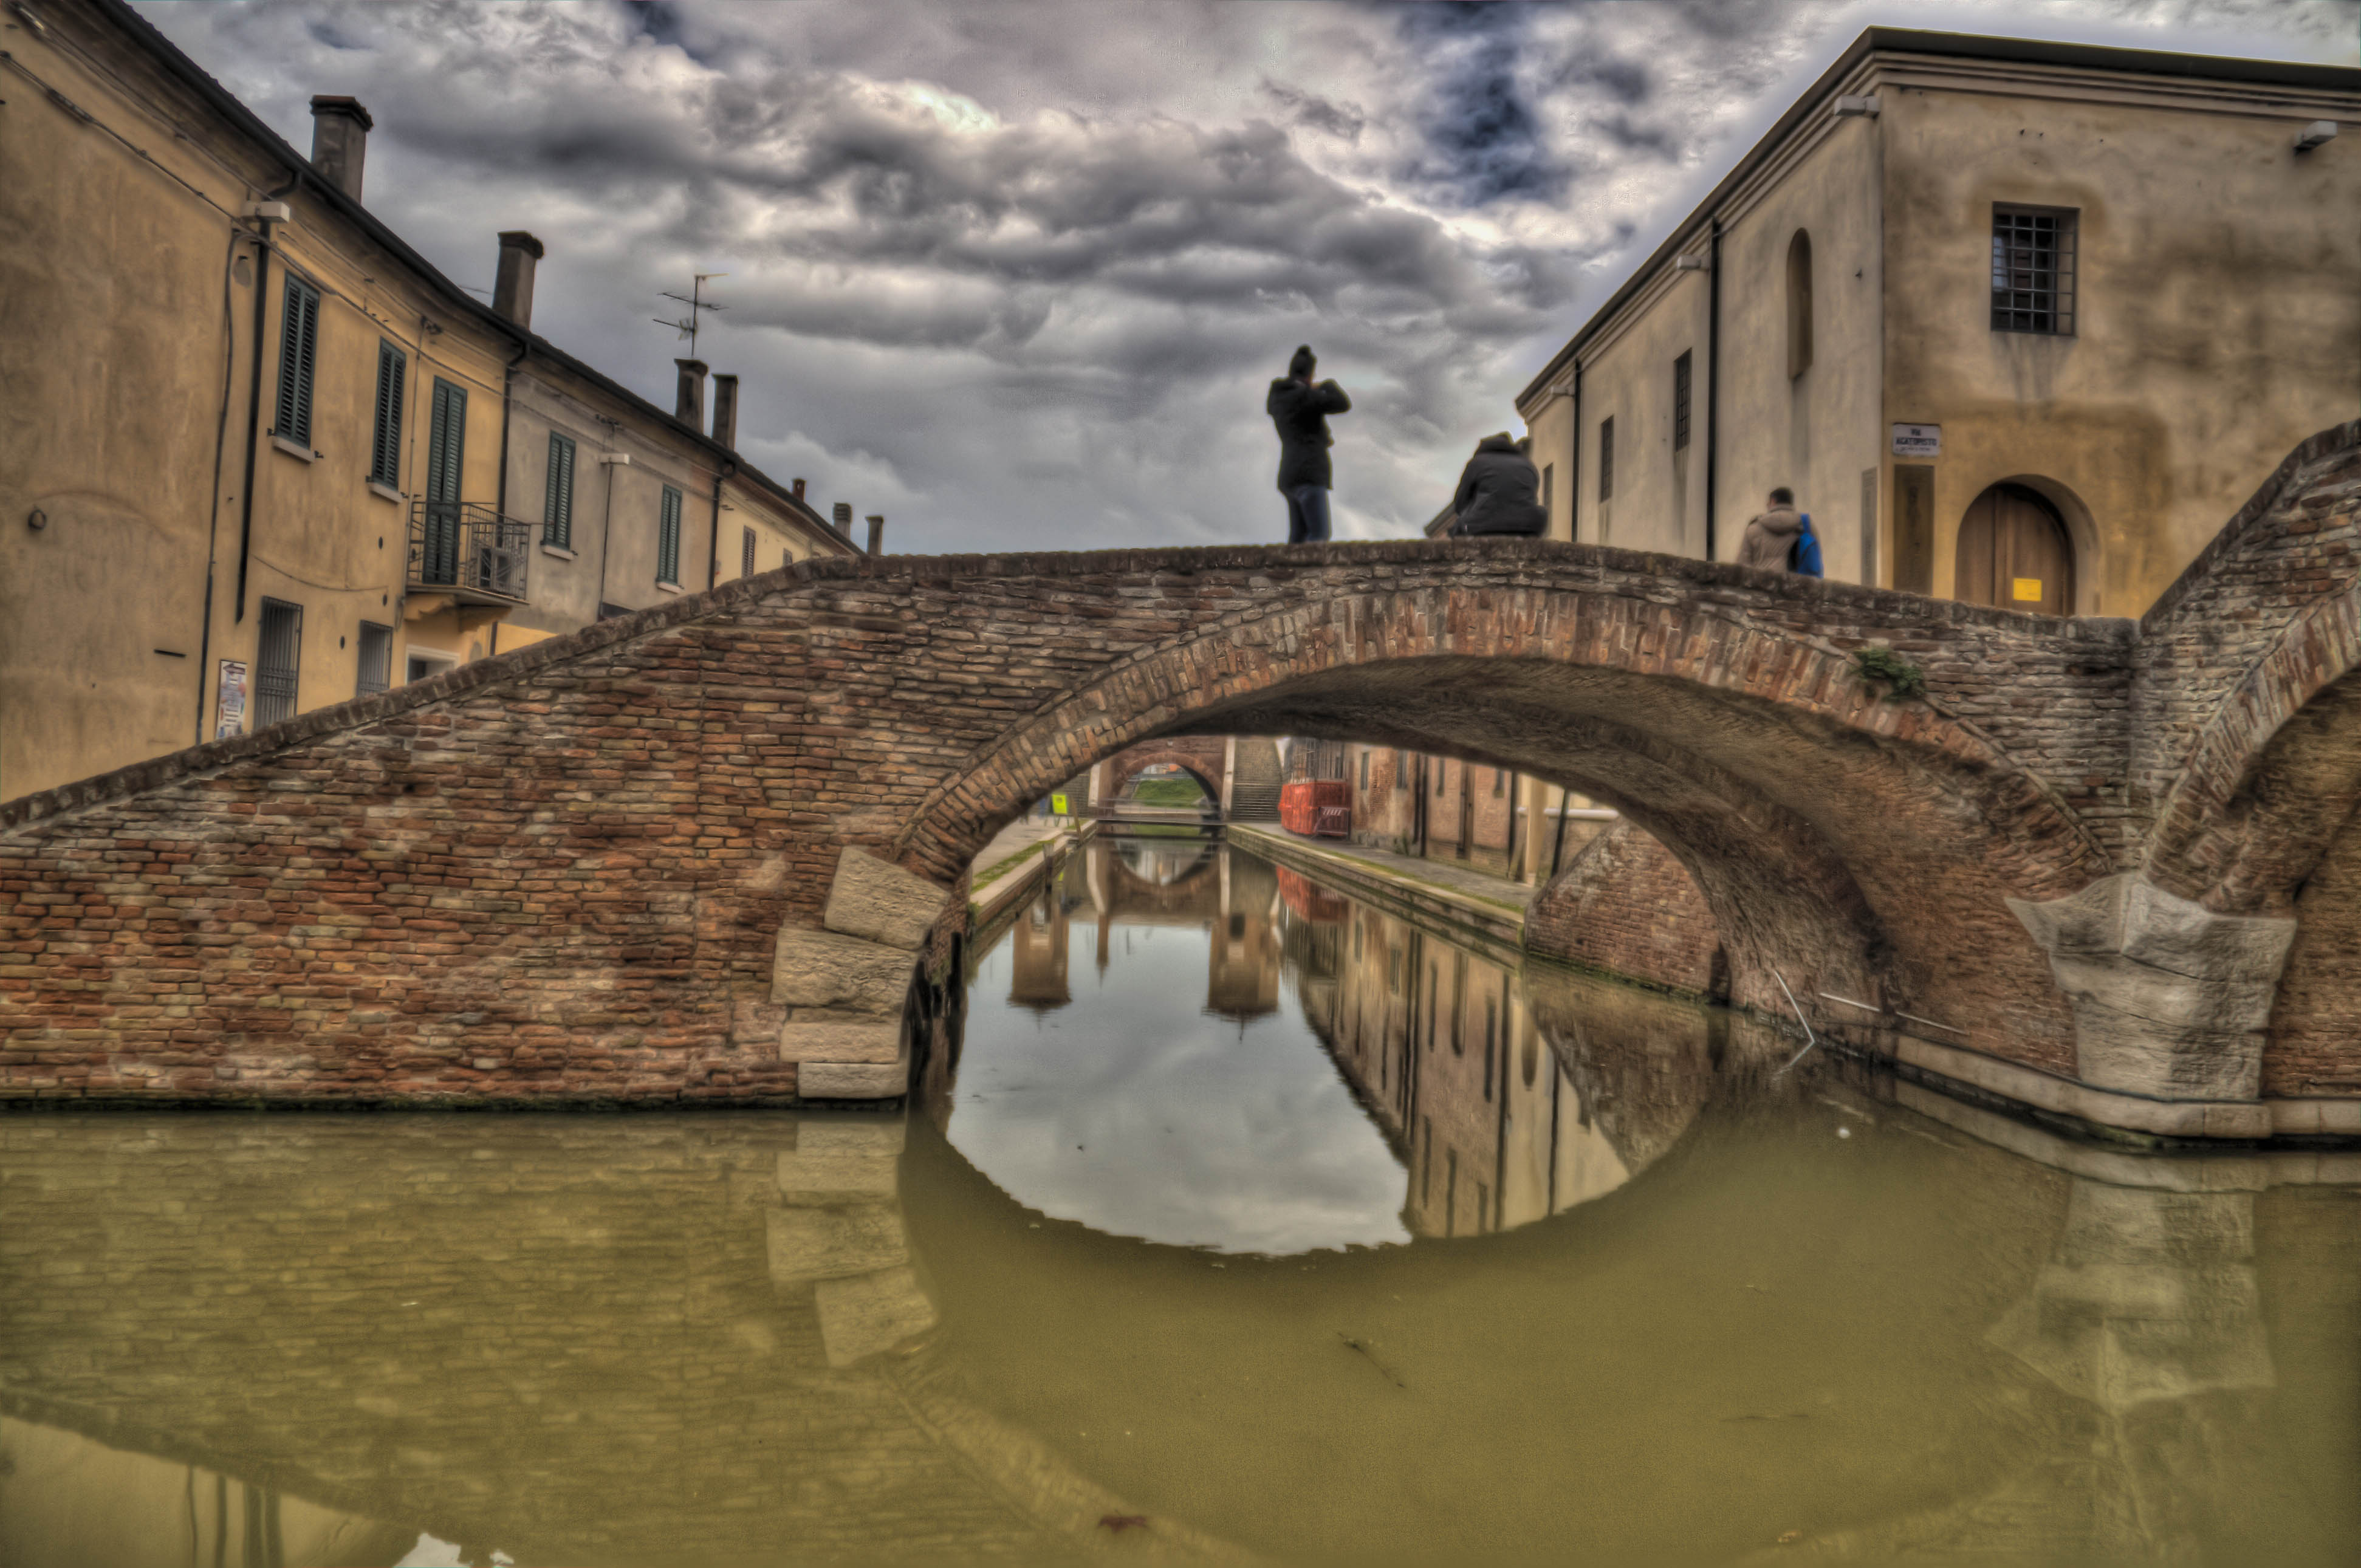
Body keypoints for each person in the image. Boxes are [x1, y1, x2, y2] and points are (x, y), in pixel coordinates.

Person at [1266, 345, 1351, 543]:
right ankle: (1310, 575)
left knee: (1299, 538)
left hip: (1289, 474)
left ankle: (1292, 573)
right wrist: (1326, 385)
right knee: (1319, 536)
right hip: (1310, 472)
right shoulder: (1306, 397)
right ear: (1311, 374)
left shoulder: (1279, 398)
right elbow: (1342, 403)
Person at [1448, 432, 1548, 537]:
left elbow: (1460, 503)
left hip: (1484, 525)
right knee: (1541, 512)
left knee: (1458, 527)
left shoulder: (1477, 463)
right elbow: (1532, 497)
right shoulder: (1528, 464)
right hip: (1527, 525)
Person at [1738, 487, 1804, 572]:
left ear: (1773, 501)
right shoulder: (1805, 526)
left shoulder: (1754, 528)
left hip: (1761, 584)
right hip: (1796, 583)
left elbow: (1743, 566)